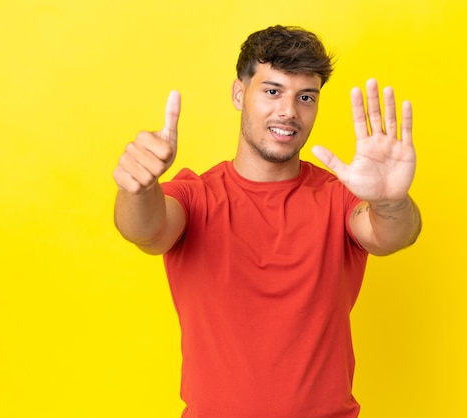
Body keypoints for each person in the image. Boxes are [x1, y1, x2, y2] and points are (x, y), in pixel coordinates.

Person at [113, 25, 421, 418]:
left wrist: (391, 200)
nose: (289, 111)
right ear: (240, 93)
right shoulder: (196, 194)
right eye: (273, 91)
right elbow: (146, 230)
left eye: (305, 97)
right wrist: (137, 187)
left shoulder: (338, 195)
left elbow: (390, 235)